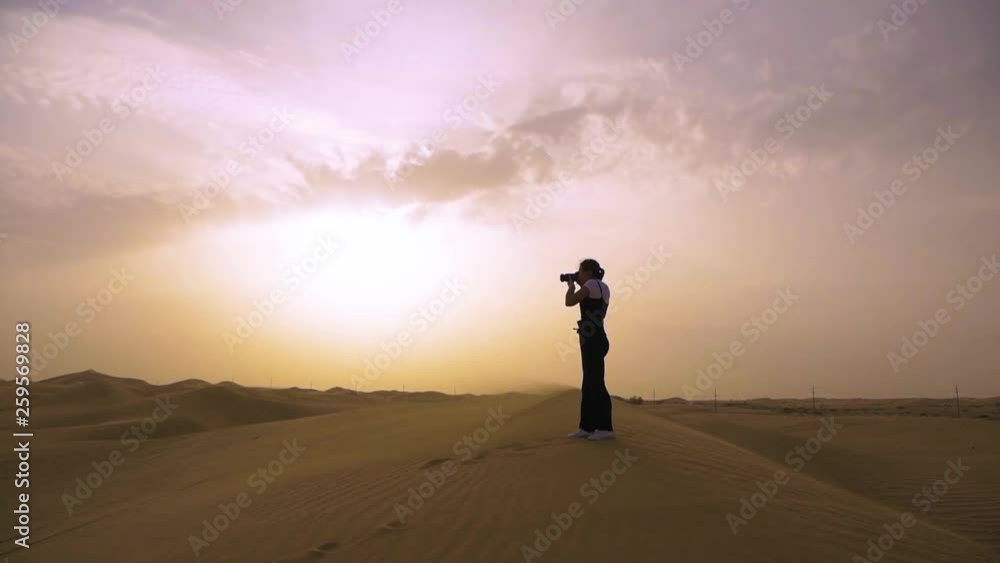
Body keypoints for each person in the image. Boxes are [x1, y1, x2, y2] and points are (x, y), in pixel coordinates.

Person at [564, 258, 614, 440]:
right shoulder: (604, 286)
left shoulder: (591, 284)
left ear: (587, 272)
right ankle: (587, 427)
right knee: (590, 382)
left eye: (580, 272)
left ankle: (605, 428)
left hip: (592, 339)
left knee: (595, 382)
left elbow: (570, 301)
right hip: (598, 336)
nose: (578, 275)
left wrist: (571, 286)